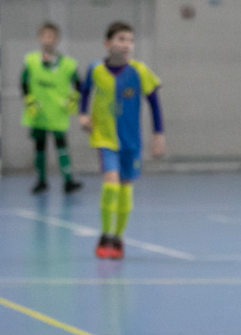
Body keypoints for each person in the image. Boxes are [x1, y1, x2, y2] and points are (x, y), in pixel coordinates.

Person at [79, 21, 165, 259]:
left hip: (131, 141)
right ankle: (105, 235)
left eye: (131, 40)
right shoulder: (95, 69)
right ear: (108, 43)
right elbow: (84, 91)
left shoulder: (139, 71)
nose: (127, 44)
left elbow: (154, 103)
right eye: (121, 39)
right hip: (105, 138)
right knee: (111, 183)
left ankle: (118, 238)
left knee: (126, 187)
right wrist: (83, 114)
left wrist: (158, 134)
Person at [20, 22, 83, 195]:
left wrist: (74, 99)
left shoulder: (68, 64)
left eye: (51, 36)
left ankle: (68, 180)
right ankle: (41, 180)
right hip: (38, 112)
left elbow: (79, 83)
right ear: (39, 38)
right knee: (39, 146)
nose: (47, 40)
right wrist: (29, 100)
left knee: (61, 145)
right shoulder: (31, 61)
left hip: (57, 111)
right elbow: (24, 82)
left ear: (57, 39)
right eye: (44, 36)